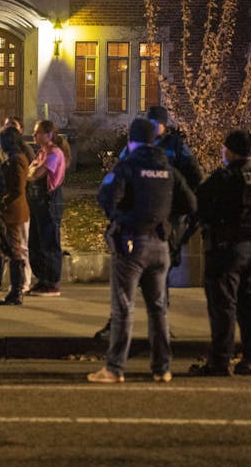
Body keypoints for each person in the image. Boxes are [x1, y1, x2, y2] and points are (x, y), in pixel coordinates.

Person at [88, 119, 196, 384]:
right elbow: (191, 203)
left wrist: (120, 219)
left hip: (132, 245)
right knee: (158, 309)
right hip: (160, 245)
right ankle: (162, 368)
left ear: (131, 141)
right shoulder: (168, 169)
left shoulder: (128, 166)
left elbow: (106, 197)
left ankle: (114, 368)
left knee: (124, 308)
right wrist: (167, 220)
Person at [191, 129, 251, 376]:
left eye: (225, 148)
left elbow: (197, 204)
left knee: (223, 306)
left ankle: (220, 362)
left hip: (225, 251)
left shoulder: (223, 178)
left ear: (231, 151)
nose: (222, 152)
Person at [27, 119, 68, 297]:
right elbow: (30, 172)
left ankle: (51, 282)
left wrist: (33, 170)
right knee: (35, 241)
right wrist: (32, 170)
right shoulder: (42, 152)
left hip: (49, 202)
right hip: (38, 202)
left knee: (49, 242)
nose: (34, 135)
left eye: (38, 132)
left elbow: (35, 174)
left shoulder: (54, 153)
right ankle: (42, 279)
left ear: (49, 134)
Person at [0, 125, 30, 305]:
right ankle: (13, 289)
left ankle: (17, 290)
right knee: (7, 248)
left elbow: (16, 188)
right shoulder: (11, 158)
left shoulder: (17, 160)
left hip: (13, 211)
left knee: (13, 249)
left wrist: (1, 202)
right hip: (9, 210)